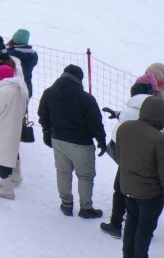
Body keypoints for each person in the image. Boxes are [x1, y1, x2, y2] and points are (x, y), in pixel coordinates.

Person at [38, 64, 107, 216]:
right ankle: (86, 208)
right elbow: (95, 123)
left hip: (58, 140)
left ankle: (66, 203)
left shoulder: (48, 93)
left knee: (63, 172)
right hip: (81, 144)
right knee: (85, 176)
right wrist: (101, 141)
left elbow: (43, 115)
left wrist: (47, 133)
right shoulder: (85, 98)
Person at [116, 95, 164, 256]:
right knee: (145, 228)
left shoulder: (125, 127)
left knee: (131, 222)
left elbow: (119, 156)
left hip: (128, 188)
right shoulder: (160, 140)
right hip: (150, 195)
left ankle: (127, 254)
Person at [0, 63, 29, 198]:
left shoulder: (4, 91)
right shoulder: (20, 88)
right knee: (9, 154)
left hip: (1, 128)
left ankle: (7, 188)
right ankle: (10, 179)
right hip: (13, 128)